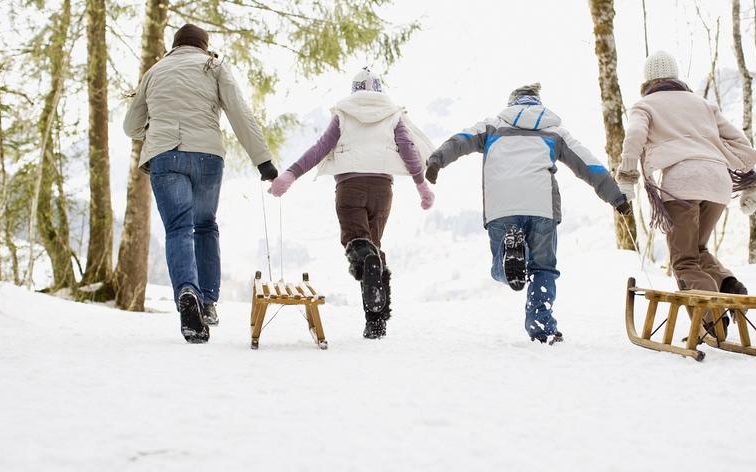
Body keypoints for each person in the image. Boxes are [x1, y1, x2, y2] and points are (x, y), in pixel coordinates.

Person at [426, 83, 630, 345]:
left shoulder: (492, 126)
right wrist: (617, 198)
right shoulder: (555, 132)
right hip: (541, 207)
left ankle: (508, 264)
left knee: (502, 270)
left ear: (512, 104)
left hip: (503, 208)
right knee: (543, 268)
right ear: (538, 103)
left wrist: (436, 160)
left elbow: (460, 141)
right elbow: (588, 164)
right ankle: (541, 326)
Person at [123, 24, 279, 343]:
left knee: (179, 227)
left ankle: (187, 293)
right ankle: (207, 302)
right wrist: (263, 161)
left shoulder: (155, 71)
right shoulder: (214, 66)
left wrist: (152, 132)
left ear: (175, 46)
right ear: (204, 46)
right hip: (207, 156)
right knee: (205, 225)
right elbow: (240, 113)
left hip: (165, 155)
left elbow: (130, 125)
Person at [268, 67, 434, 339]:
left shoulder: (343, 114)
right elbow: (409, 150)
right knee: (374, 248)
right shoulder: (393, 115)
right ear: (379, 90)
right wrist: (421, 186)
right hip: (382, 189)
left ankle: (367, 266)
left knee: (358, 244)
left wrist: (291, 174)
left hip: (350, 187)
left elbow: (320, 148)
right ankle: (376, 323)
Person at [615, 50, 756, 332]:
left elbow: (634, 137)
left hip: (682, 184)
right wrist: (750, 184)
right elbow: (740, 140)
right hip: (718, 182)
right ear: (676, 77)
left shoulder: (645, 105)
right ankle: (728, 283)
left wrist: (626, 177)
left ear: (647, 80)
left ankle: (712, 319)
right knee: (696, 249)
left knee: (683, 261)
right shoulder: (703, 104)